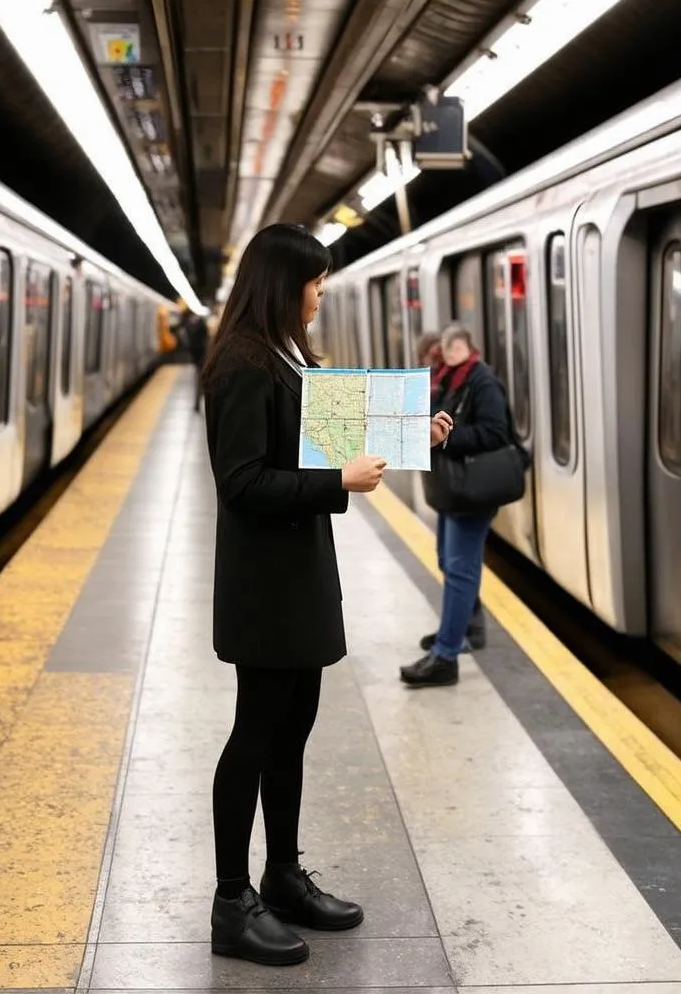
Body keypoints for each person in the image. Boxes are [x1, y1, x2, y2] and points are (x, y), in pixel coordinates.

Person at [201, 223, 451, 966]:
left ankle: (281, 875)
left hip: (298, 568)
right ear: (286, 284)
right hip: (264, 582)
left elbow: (326, 435)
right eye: (314, 282)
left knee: (293, 727)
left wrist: (413, 436)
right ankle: (230, 901)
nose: (320, 295)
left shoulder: (285, 354)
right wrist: (336, 483)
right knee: (256, 731)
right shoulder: (242, 365)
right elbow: (241, 482)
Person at [402, 323, 509, 688]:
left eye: (449, 353)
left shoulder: (481, 382)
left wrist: (446, 438)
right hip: (453, 490)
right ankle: (467, 628)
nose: (442, 362)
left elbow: (496, 432)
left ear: (463, 347)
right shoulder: (450, 378)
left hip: (473, 490)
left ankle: (446, 656)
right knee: (449, 562)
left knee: (460, 568)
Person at [178, 308, 210, 410]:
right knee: (203, 383)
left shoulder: (192, 328)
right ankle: (198, 404)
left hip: (199, 359)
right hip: (204, 359)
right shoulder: (202, 329)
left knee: (200, 382)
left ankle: (197, 404)